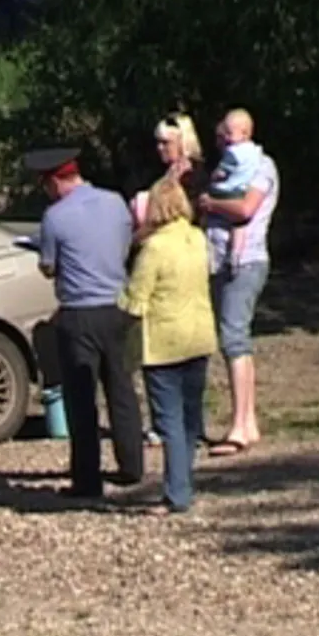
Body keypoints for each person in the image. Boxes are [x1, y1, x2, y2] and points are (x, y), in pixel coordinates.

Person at [26, 148, 143, 498]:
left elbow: (48, 265)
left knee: (81, 398)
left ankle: (87, 478)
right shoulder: (115, 203)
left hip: (79, 313)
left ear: (54, 181)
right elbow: (124, 247)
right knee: (122, 389)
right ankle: (132, 465)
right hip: (117, 306)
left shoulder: (56, 217)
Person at [120, 178, 216, 514]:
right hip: (199, 335)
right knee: (190, 420)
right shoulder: (197, 238)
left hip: (164, 344)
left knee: (169, 421)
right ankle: (183, 482)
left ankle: (177, 493)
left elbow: (136, 301)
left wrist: (119, 296)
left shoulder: (155, 248)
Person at [199, 111, 280, 457]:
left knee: (234, 337)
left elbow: (246, 209)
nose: (225, 142)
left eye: (230, 135)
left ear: (247, 132)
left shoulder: (261, 167)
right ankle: (247, 421)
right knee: (232, 337)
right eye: (221, 137)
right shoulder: (227, 168)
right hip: (220, 261)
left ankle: (240, 426)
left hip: (244, 262)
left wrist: (211, 203)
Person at [131, 113, 207, 231]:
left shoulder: (193, 175)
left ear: (182, 142)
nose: (159, 147)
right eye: (158, 142)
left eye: (166, 143)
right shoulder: (159, 170)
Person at [209, 108, 264, 270]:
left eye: (229, 133)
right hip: (242, 189)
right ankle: (236, 253)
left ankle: (215, 256)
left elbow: (222, 172)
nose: (226, 138)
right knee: (239, 225)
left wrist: (214, 176)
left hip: (228, 190)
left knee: (219, 212)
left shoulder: (233, 153)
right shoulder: (255, 151)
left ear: (245, 133)